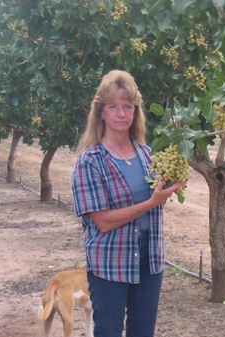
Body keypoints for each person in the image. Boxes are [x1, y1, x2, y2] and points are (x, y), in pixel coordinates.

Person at [71, 69, 184, 337]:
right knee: (109, 331)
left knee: (142, 332)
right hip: (111, 263)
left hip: (149, 261)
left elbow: (156, 206)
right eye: (113, 107)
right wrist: (152, 201)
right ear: (101, 113)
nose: (122, 114)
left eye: (128, 107)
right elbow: (103, 221)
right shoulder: (90, 161)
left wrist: (166, 192)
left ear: (135, 112)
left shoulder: (146, 154)